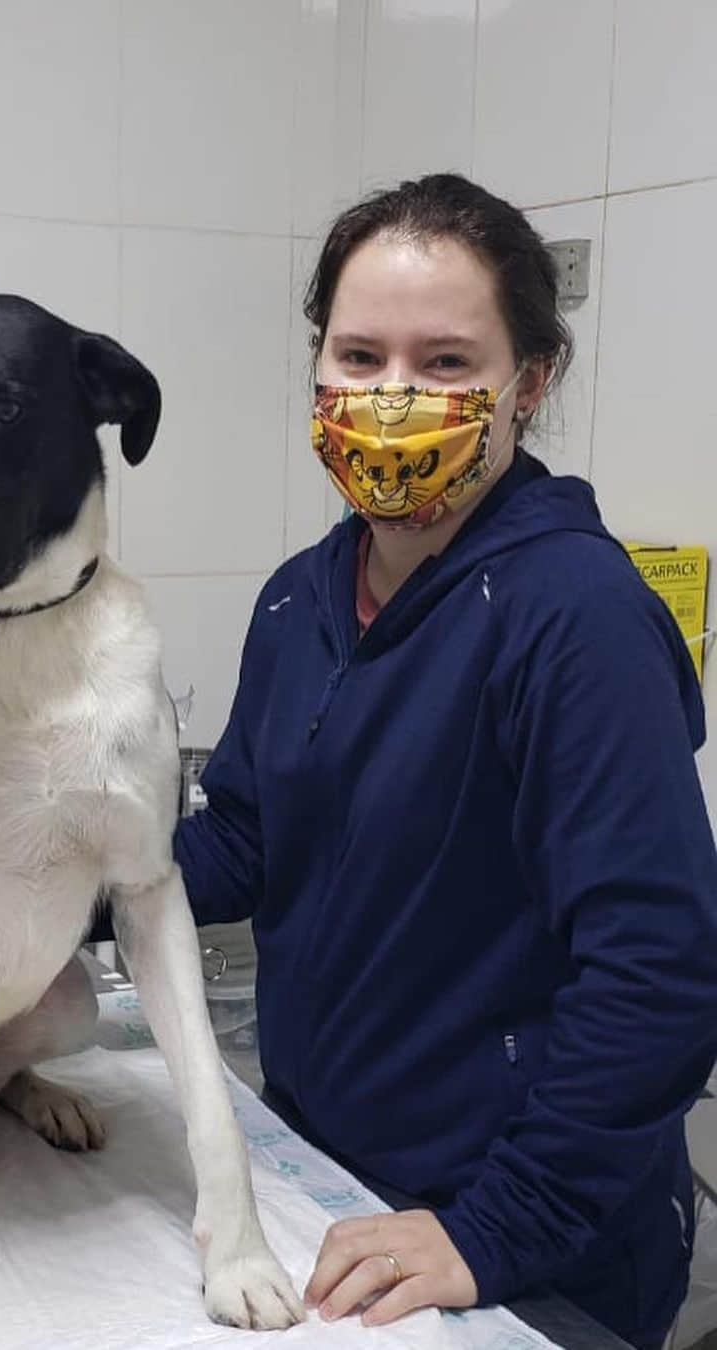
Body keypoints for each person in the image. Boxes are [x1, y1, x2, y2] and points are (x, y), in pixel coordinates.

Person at [172, 173, 717, 1348]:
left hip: (521, 1234)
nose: (391, 399)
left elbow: (660, 969)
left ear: (530, 383)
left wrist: (498, 1225)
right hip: (339, 1179)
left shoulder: (576, 616)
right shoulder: (300, 600)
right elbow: (244, 843)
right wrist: (53, 884)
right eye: (359, 356)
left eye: (447, 363)